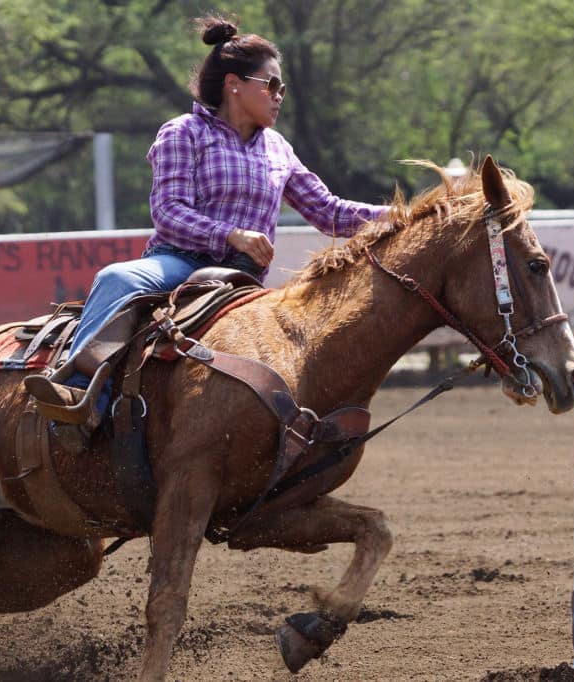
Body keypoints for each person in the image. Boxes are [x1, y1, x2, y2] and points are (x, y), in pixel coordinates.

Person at [24, 15, 388, 434]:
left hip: (243, 282)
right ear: (234, 83)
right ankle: (79, 396)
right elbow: (168, 212)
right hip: (178, 265)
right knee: (116, 278)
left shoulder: (278, 149)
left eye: (282, 88)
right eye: (271, 84)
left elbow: (331, 213)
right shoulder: (184, 133)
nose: (279, 96)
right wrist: (229, 234)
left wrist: (410, 215)